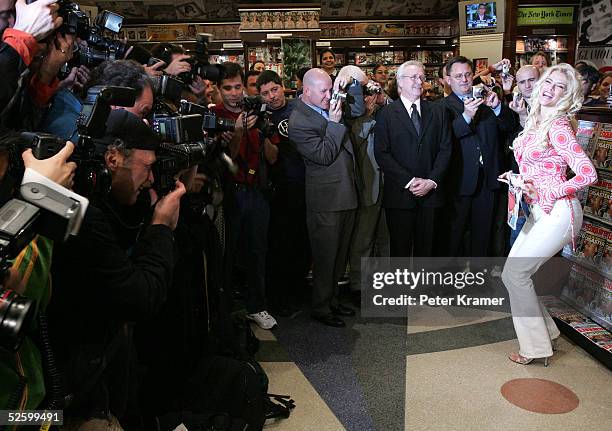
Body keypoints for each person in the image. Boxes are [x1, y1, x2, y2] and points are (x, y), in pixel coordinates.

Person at [48, 109, 185, 427]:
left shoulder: (92, 200)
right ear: (112, 159)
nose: (151, 178)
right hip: (72, 394)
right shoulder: (82, 214)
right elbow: (139, 297)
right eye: (148, 167)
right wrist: (162, 227)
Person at [501, 63, 597, 366]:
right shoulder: (536, 120)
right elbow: (538, 168)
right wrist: (519, 181)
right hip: (539, 209)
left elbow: (586, 173)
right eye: (549, 82)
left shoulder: (557, 125)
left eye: (559, 87)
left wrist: (552, 191)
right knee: (511, 274)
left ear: (566, 95)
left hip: (560, 212)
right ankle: (547, 332)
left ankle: (536, 347)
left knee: (516, 274)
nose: (549, 89)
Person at [288, 68, 357, 327]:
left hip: (346, 192)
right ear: (307, 91)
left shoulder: (329, 106)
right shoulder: (299, 121)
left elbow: (358, 108)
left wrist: (348, 82)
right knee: (326, 257)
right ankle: (320, 306)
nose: (330, 95)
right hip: (326, 199)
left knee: (340, 255)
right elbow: (324, 155)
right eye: (324, 91)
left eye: (331, 89)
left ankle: (333, 300)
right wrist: (335, 123)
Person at [213, 62, 278, 330]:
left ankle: (256, 306)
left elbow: (273, 157)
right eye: (227, 88)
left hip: (257, 191)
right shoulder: (215, 115)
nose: (233, 93)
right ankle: (223, 308)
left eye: (238, 87)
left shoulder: (256, 112)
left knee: (258, 251)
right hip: (230, 192)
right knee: (227, 254)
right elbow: (227, 160)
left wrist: (262, 131)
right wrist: (238, 130)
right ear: (218, 89)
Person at [441, 56, 516, 257]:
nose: (464, 79)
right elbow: (447, 138)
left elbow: (509, 127)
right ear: (448, 79)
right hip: (459, 181)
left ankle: (478, 280)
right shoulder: (441, 107)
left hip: (488, 180)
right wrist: (466, 116)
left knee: (483, 235)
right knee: (453, 235)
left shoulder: (486, 101)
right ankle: (449, 281)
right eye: (458, 76)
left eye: (467, 74)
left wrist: (498, 107)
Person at [374, 60, 451, 257]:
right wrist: (409, 181)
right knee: (400, 250)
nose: (419, 81)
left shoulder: (438, 111)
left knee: (429, 250)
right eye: (414, 77)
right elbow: (382, 153)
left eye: (422, 77)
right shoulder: (386, 114)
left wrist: (431, 181)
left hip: (431, 194)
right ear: (400, 83)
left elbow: (445, 149)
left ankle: (425, 288)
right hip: (400, 195)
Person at [257, 70, 310, 315]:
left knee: (303, 241)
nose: (271, 96)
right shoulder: (261, 116)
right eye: (265, 93)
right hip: (277, 189)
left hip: (304, 183)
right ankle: (281, 296)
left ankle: (300, 290)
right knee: (280, 244)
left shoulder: (300, 108)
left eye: (274, 89)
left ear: (282, 87)